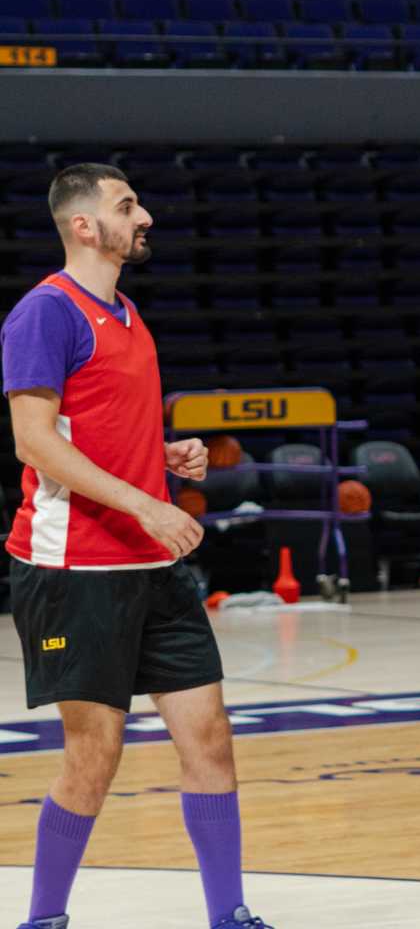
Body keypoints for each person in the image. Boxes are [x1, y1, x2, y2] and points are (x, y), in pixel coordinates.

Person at [4, 162, 273, 929]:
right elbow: (34, 444)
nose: (144, 215)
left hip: (152, 565)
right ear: (84, 225)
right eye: (127, 206)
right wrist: (145, 505)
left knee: (211, 739)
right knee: (94, 760)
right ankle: (43, 920)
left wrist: (159, 456)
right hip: (74, 569)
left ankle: (230, 916)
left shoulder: (124, 311)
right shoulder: (44, 314)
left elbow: (89, 431)